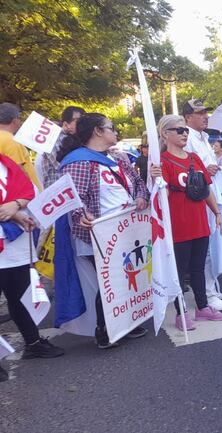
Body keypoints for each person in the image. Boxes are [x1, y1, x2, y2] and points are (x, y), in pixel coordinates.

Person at [56, 113, 150, 348]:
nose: (116, 131)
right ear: (98, 131)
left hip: (128, 230)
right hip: (99, 235)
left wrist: (140, 196)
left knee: (129, 273)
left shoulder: (118, 158)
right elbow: (74, 199)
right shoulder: (77, 162)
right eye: (112, 127)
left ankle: (126, 320)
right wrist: (81, 215)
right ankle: (105, 329)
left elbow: (138, 183)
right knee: (110, 279)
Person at [150, 115, 222, 330]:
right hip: (178, 224)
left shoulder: (194, 158)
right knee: (179, 271)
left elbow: (206, 189)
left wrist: (216, 212)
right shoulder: (161, 162)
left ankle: (202, 307)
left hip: (199, 221)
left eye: (185, 130)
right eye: (179, 130)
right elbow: (157, 195)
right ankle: (181, 312)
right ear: (165, 134)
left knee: (198, 267)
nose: (184, 134)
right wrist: (153, 176)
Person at [0, 154, 64, 381]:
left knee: (19, 298)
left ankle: (33, 343)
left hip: (14, 249)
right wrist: (15, 213)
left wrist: (16, 206)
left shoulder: (7, 164)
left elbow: (30, 192)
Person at [182, 99, 222, 311]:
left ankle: (211, 288)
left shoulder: (204, 136)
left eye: (205, 112)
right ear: (187, 117)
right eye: (199, 113)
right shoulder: (187, 136)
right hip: (198, 196)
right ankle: (208, 295)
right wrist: (204, 170)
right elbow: (188, 165)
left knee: (212, 245)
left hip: (210, 194)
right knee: (206, 250)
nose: (205, 116)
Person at [38, 106, 85, 189]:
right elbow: (64, 166)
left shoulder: (76, 139)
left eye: (83, 120)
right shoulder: (52, 138)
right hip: (56, 192)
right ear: (66, 124)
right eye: (77, 120)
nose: (81, 124)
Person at [0, 103, 41, 190]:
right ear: (14, 120)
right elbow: (19, 171)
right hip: (24, 195)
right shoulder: (11, 141)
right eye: (20, 119)